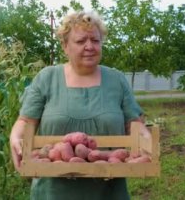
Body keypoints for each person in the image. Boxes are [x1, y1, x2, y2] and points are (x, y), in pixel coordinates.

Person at [10, 10, 150, 200]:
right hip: (53, 191)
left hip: (109, 189)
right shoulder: (47, 78)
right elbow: (26, 121)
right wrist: (16, 138)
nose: (89, 46)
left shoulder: (116, 80)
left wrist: (145, 141)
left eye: (95, 40)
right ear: (65, 46)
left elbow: (134, 123)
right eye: (81, 41)